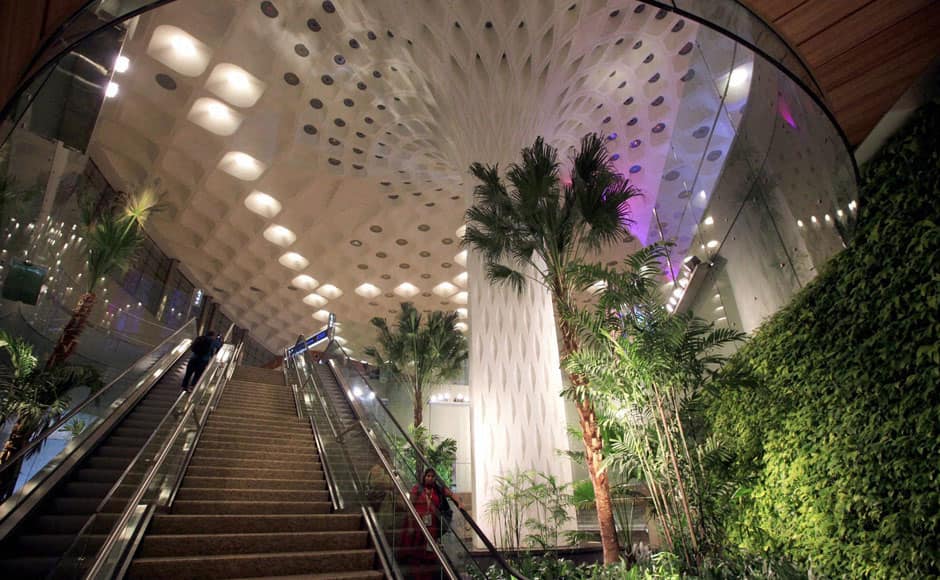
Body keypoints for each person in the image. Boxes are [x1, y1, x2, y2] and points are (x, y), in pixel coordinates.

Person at [398, 468, 463, 578]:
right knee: (416, 553)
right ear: (424, 477)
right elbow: (410, 508)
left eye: (432, 476)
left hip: (432, 526)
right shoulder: (417, 489)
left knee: (429, 552)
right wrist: (410, 526)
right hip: (417, 524)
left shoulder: (438, 490)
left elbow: (452, 494)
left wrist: (459, 502)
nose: (430, 478)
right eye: (428, 476)